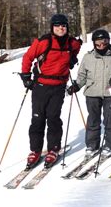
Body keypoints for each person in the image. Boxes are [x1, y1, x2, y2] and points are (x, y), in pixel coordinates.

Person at [20, 14, 82, 168]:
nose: (61, 28)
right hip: (41, 86)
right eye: (57, 25)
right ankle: (35, 150)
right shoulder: (44, 41)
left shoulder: (71, 43)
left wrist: (72, 59)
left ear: (67, 27)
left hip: (59, 86)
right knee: (38, 118)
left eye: (63, 25)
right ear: (52, 27)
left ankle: (53, 149)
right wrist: (26, 76)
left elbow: (77, 48)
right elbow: (28, 57)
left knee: (53, 118)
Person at [67, 29, 111, 158]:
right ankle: (92, 145)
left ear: (108, 41)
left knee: (110, 119)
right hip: (92, 92)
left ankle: (110, 145)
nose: (101, 44)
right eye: (98, 42)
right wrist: (76, 86)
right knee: (93, 120)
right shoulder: (88, 57)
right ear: (94, 43)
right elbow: (82, 75)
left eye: (104, 41)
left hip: (110, 93)